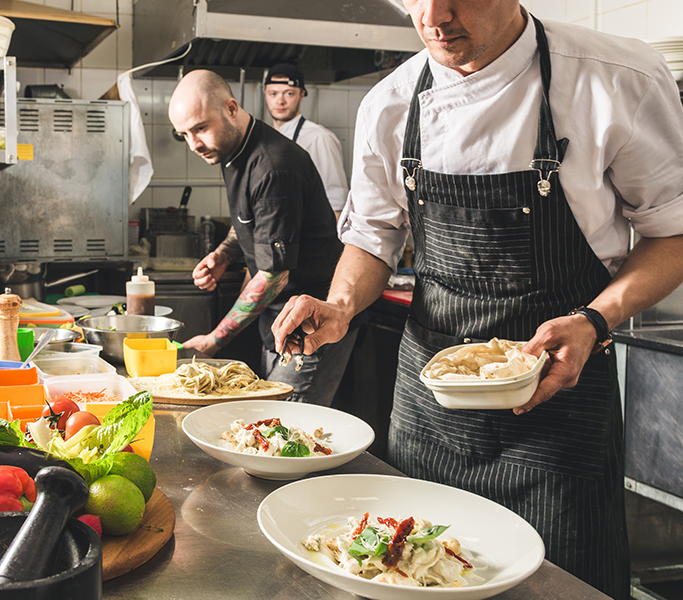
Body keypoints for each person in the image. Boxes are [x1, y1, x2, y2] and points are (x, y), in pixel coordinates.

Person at [271, 2, 683, 598]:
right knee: (409, 575)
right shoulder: (390, 103)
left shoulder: (615, 79)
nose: (434, 16)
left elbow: (672, 234)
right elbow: (373, 236)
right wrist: (340, 305)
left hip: (558, 405)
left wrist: (596, 319)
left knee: (561, 586)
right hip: (429, 410)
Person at [168, 69, 360, 406]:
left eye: (200, 128)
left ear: (231, 108)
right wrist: (225, 254)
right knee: (269, 420)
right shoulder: (231, 151)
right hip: (276, 322)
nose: (194, 145)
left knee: (288, 427)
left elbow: (274, 275)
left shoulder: (274, 166)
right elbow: (248, 219)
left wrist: (214, 340)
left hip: (310, 327)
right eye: (183, 134)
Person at [264, 63, 350, 219]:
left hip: (307, 231)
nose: (280, 101)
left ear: (302, 95)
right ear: (265, 94)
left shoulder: (319, 138)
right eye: (273, 94)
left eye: (289, 94)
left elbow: (336, 202)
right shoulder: (265, 138)